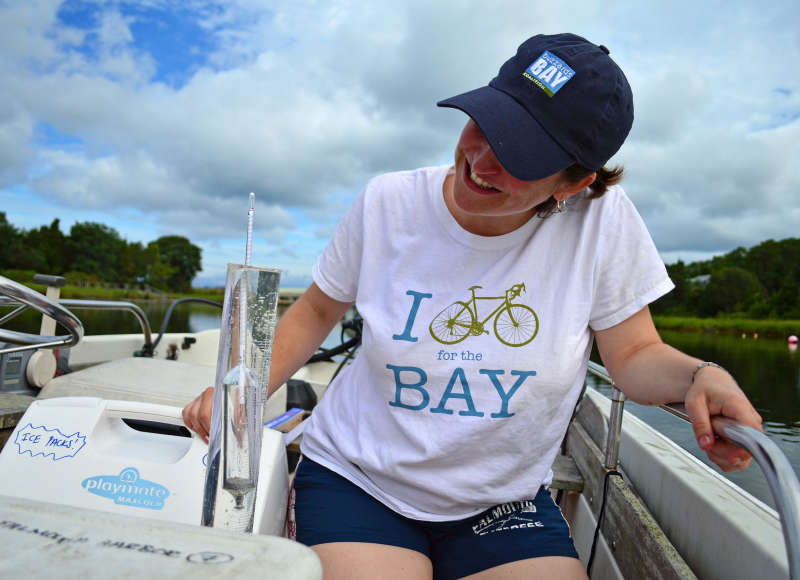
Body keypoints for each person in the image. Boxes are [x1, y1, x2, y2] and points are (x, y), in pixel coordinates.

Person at [183, 33, 762, 579]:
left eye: (521, 154)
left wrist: (698, 375)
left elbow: (633, 352)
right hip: (360, 480)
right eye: (486, 124)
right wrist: (244, 386)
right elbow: (313, 313)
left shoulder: (603, 225)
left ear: (573, 184)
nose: (480, 162)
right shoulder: (387, 202)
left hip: (500, 500)